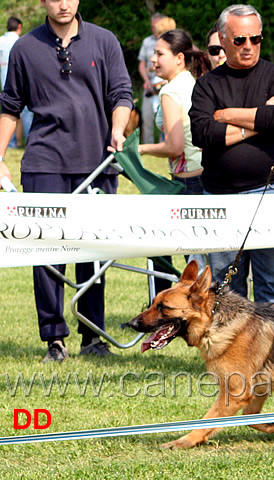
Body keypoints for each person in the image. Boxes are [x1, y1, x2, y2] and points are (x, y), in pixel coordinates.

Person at [0, 0, 133, 362]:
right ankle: (54, 339)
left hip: (97, 162)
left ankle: (93, 336)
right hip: (45, 162)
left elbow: (122, 93)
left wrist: (118, 130)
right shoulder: (24, 48)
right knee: (46, 253)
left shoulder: (105, 41)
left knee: (93, 250)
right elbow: (10, 106)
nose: (63, 3)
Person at [189, 4, 274, 303]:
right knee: (225, 291)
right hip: (221, 197)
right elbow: (203, 134)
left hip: (270, 192)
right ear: (223, 40)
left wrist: (226, 115)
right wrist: (258, 122)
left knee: (272, 286)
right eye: (239, 40)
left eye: (255, 39)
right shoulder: (207, 85)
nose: (249, 46)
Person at [138, 28, 210, 290]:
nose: (153, 60)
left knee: (192, 264)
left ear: (179, 57)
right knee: (203, 260)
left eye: (159, 54)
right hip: (205, 180)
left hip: (188, 185)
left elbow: (174, 146)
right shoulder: (195, 82)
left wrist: (141, 150)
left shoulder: (169, 92)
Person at [0, 16, 32, 148]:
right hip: (23, 83)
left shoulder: (1, 41)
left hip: (5, 83)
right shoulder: (22, 42)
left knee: (8, 112)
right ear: (19, 27)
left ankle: (11, 143)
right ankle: (30, 141)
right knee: (26, 113)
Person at [138, 13, 165, 144]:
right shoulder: (147, 42)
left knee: (164, 118)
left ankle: (163, 144)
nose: (154, 29)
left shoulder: (168, 41)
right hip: (150, 86)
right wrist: (146, 80)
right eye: (152, 27)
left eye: (156, 26)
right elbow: (142, 64)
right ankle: (148, 146)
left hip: (164, 84)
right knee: (147, 117)